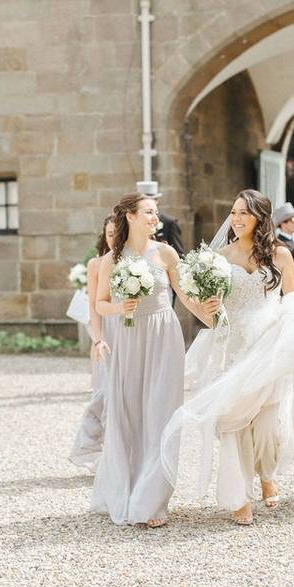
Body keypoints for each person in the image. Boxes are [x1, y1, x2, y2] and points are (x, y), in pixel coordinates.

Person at [161, 189, 294, 525]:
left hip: (271, 345)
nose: (236, 219)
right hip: (234, 344)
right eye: (234, 212)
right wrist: (207, 308)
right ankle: (237, 495)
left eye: (244, 213)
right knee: (234, 421)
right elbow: (210, 310)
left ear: (260, 218)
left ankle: (266, 473)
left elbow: (293, 301)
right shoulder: (219, 257)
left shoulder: (280, 256)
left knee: (268, 423)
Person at [91, 192, 202, 528]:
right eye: (150, 213)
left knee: (160, 412)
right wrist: (118, 308)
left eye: (156, 213)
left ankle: (154, 499)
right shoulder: (111, 259)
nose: (156, 218)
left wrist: (211, 314)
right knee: (130, 413)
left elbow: (184, 294)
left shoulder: (166, 252)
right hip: (128, 338)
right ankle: (128, 487)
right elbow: (100, 303)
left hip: (163, 337)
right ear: (130, 216)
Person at [69, 215, 117, 472]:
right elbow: (93, 308)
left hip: (129, 332)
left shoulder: (135, 264)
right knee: (106, 395)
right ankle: (106, 454)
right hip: (107, 335)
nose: (112, 238)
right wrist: (98, 339)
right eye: (108, 233)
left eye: (117, 233)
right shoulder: (96, 265)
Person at [136, 181, 184, 256]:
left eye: (151, 200)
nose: (147, 204)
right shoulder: (133, 222)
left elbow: (179, 255)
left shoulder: (169, 223)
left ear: (157, 201)